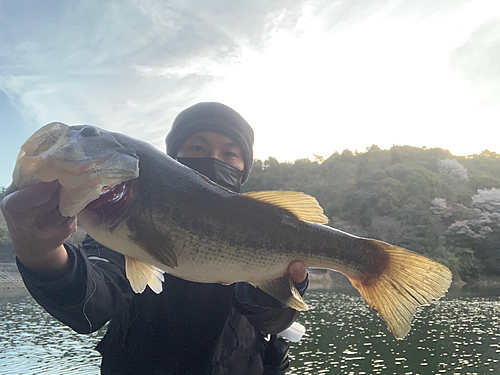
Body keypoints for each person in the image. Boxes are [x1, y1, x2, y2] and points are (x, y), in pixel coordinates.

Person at [1, 102, 309, 375]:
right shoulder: (118, 220)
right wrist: (40, 254)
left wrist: (286, 283)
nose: (214, 159)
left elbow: (274, 321)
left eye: (230, 153)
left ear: (244, 168)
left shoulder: (264, 227)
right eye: (198, 148)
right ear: (174, 156)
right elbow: (93, 302)